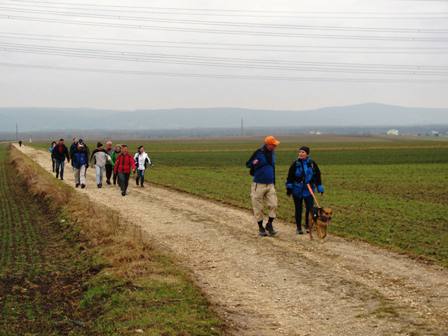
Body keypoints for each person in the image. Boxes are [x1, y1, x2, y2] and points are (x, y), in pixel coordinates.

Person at [246, 136, 280, 237]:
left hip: (270, 184)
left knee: (274, 205)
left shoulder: (273, 154)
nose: (275, 147)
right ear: (268, 144)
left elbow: (273, 167)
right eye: (273, 145)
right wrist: (253, 163)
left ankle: (269, 224)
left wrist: (274, 181)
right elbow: (248, 164)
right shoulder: (258, 153)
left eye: (275, 145)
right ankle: (261, 228)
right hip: (258, 184)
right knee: (258, 207)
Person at [285, 146, 324, 235]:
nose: (301, 154)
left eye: (303, 152)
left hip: (309, 189)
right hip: (297, 189)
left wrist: (319, 187)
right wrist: (289, 188)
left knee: (310, 209)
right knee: (298, 209)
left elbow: (317, 175)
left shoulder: (312, 164)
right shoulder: (295, 164)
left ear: (307, 154)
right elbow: (290, 176)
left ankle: (307, 225)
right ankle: (298, 227)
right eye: (300, 152)